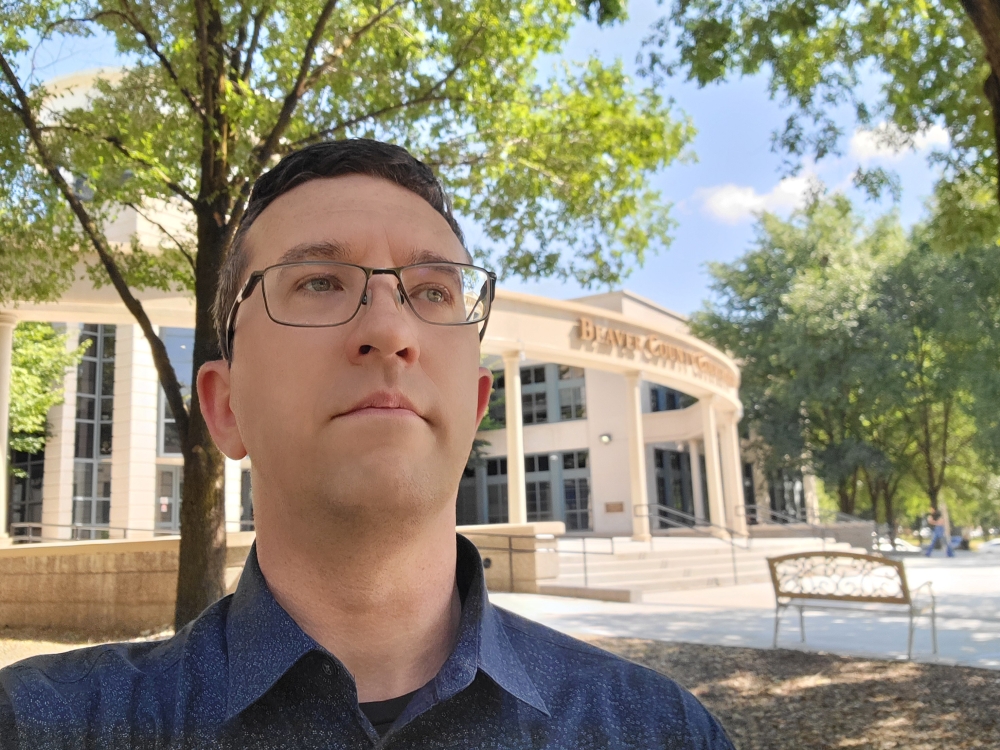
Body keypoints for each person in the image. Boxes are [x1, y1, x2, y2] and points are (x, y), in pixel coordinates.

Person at [0, 139, 734, 748]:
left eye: (434, 292)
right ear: (225, 409)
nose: (390, 331)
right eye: (318, 282)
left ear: (477, 407)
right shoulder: (41, 726)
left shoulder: (663, 732)